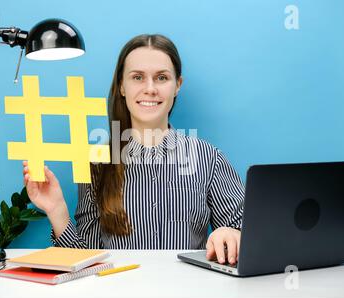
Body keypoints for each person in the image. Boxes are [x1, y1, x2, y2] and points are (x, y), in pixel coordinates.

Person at [23, 34, 245, 265]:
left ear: (177, 85)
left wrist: (233, 233)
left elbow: (249, 231)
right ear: (121, 85)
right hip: (118, 296)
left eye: (161, 78)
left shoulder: (208, 159)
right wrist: (57, 210)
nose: (150, 89)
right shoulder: (97, 163)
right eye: (137, 77)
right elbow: (86, 261)